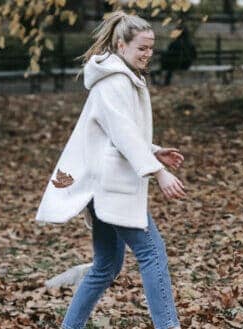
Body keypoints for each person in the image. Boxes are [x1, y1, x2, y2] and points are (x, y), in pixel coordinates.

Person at [35, 11, 186, 329]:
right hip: (108, 188)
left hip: (105, 188)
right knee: (152, 253)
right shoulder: (114, 81)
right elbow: (124, 136)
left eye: (150, 48)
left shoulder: (123, 77)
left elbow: (121, 133)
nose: (147, 54)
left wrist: (156, 151)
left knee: (106, 265)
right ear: (121, 45)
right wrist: (158, 171)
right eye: (141, 48)